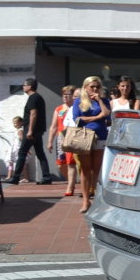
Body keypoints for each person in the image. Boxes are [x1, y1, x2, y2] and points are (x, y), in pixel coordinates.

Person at [71, 76, 112, 213]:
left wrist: (99, 100)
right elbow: (78, 119)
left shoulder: (104, 100)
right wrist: (96, 117)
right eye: (92, 86)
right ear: (85, 87)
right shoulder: (79, 101)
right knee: (85, 169)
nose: (94, 89)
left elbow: (107, 115)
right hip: (84, 137)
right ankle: (85, 200)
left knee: (97, 169)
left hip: (100, 136)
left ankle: (96, 198)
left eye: (97, 87)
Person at [6, 78, 55, 185]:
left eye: (24, 85)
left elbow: (33, 114)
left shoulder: (33, 98)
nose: (23, 87)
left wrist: (30, 130)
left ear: (29, 86)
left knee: (22, 152)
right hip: (38, 130)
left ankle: (16, 177)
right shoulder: (38, 98)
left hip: (32, 131)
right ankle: (47, 177)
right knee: (40, 153)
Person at [48, 85, 79, 197]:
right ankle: (72, 180)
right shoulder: (59, 109)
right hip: (61, 138)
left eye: (68, 94)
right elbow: (54, 126)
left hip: (73, 137)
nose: (65, 96)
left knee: (71, 162)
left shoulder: (77, 107)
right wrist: (50, 141)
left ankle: (70, 186)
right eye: (64, 94)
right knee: (61, 165)